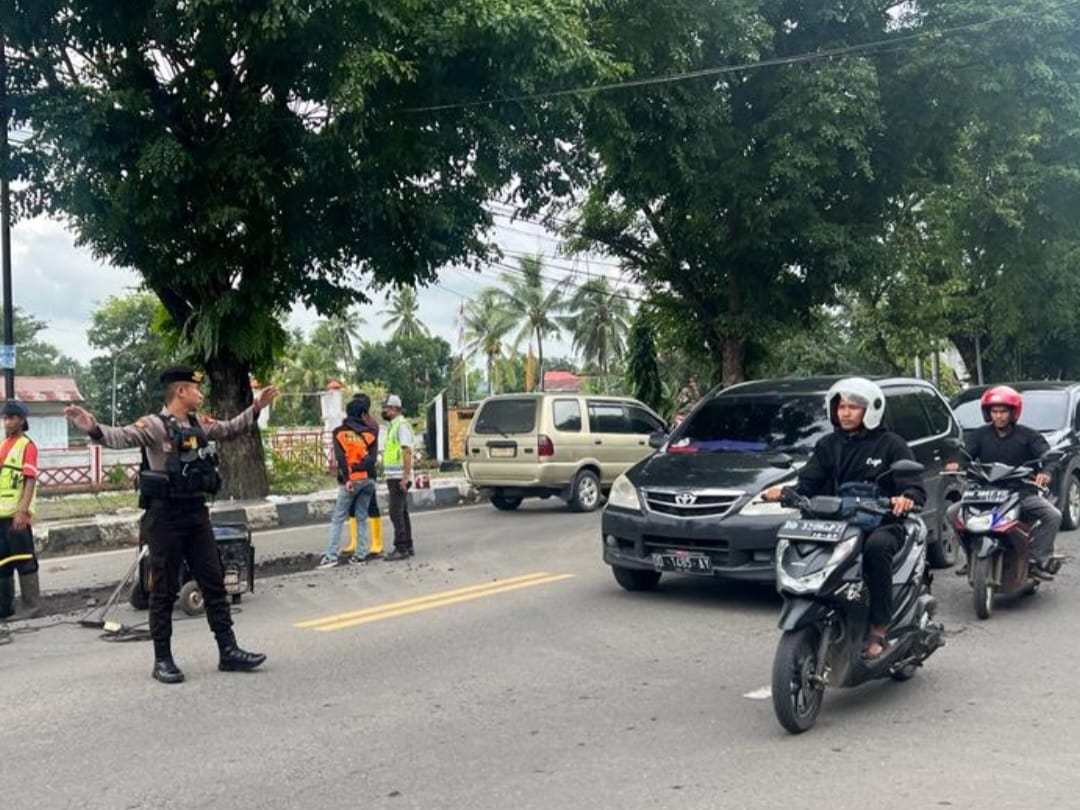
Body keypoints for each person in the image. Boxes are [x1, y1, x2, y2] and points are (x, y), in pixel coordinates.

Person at [64, 366, 277, 685]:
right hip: (164, 517)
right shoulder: (154, 425)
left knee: (214, 582)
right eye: (195, 389)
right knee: (163, 590)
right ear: (180, 391)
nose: (200, 394)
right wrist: (92, 427)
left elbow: (231, 429)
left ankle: (228, 651)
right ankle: (162, 659)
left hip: (196, 513)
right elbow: (121, 436)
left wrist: (256, 408)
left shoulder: (199, 423)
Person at [764, 378, 925, 660]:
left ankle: (878, 628)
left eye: (853, 407)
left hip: (882, 522)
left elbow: (913, 485)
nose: (846, 413)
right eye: (841, 406)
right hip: (836, 523)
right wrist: (786, 492)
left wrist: (905, 497)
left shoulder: (891, 444)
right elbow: (809, 482)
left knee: (876, 548)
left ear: (871, 410)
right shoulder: (828, 444)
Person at [945, 385, 1060, 580]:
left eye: (1003, 411)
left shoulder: (1029, 436)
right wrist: (955, 464)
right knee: (953, 513)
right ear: (988, 413)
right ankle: (971, 555)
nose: (999, 416)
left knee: (1053, 515)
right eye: (994, 411)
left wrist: (1045, 473)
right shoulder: (979, 435)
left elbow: (1048, 457)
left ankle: (1037, 560)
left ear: (1013, 413)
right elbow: (963, 455)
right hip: (984, 493)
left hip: (1021, 493)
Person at [318, 393, 378, 568]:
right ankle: (360, 555)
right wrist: (361, 469)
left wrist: (347, 478)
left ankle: (331, 556)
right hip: (368, 481)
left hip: (350, 481)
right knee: (361, 517)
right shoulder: (371, 433)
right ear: (362, 415)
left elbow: (340, 459)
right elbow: (372, 460)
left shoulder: (339, 433)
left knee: (338, 518)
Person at [0, 401, 42, 620]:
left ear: (22, 420)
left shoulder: (27, 446)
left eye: (12, 418)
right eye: (5, 418)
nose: (8, 422)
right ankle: (4, 608)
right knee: (3, 562)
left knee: (24, 559)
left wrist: (22, 511)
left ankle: (32, 607)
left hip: (17, 515)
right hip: (1, 514)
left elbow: (29, 480)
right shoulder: (3, 444)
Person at [381, 394, 415, 560]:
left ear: (394, 409)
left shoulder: (401, 426)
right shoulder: (393, 426)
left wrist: (405, 477)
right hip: (394, 475)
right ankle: (407, 545)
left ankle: (401, 548)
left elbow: (406, 451)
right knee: (402, 512)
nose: (384, 411)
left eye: (386, 408)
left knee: (395, 512)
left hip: (399, 476)